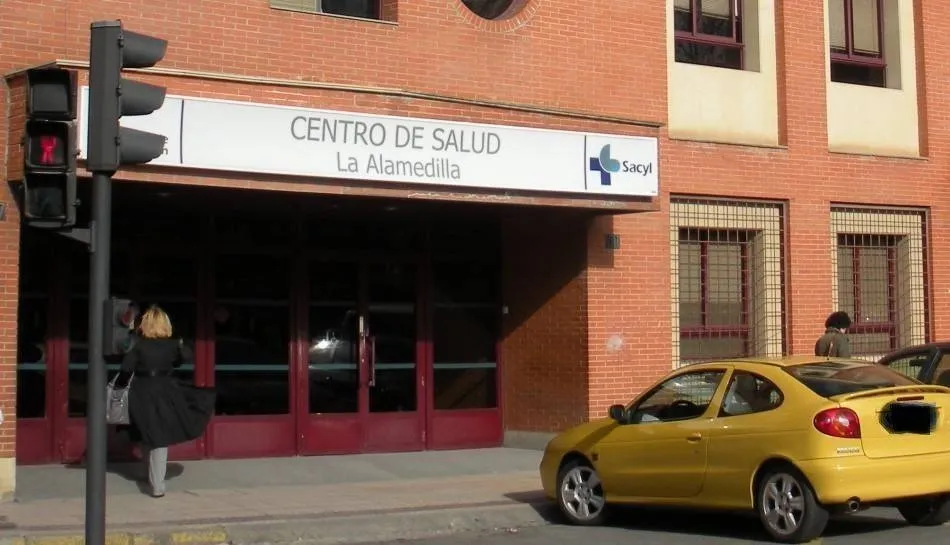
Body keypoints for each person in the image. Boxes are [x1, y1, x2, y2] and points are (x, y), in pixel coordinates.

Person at [120, 305, 216, 497]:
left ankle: (152, 478)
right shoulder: (173, 345)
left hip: (141, 391)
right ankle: (157, 484)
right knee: (158, 436)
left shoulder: (137, 344)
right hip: (166, 390)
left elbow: (125, 370)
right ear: (165, 324)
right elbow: (182, 359)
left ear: (145, 323)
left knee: (147, 434)